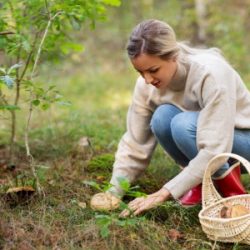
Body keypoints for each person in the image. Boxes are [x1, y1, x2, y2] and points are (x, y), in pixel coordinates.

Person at [90, 19, 249, 216]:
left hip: (241, 144)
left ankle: (233, 195)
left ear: (174, 56)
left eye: (153, 70)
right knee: (162, 117)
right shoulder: (146, 86)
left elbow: (215, 148)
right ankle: (197, 182)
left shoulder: (211, 74)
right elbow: (135, 142)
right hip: (209, 144)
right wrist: (114, 191)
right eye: (140, 72)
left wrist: (163, 193)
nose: (147, 80)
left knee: (182, 124)